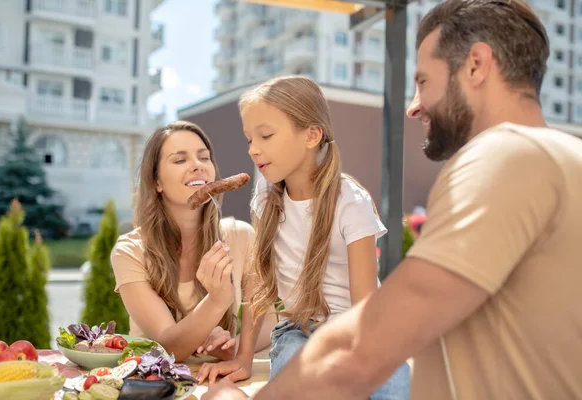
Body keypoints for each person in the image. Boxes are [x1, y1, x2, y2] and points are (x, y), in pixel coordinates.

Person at [203, 0, 582, 399]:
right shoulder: (564, 159)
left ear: (476, 65)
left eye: (423, 82)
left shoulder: (507, 157)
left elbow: (366, 342)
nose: (414, 106)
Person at [197, 76, 411, 399]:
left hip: (362, 330)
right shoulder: (266, 197)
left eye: (266, 135)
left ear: (312, 135)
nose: (253, 149)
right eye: (249, 139)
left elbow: (365, 309)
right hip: (297, 331)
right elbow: (257, 281)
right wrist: (244, 357)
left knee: (392, 388)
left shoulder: (350, 202)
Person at [110, 121, 276, 362]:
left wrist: (233, 347)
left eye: (204, 158)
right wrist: (217, 301)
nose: (198, 166)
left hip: (221, 379)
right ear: (156, 182)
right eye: (180, 160)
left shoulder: (241, 236)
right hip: (159, 384)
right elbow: (168, 346)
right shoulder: (130, 251)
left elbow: (269, 320)